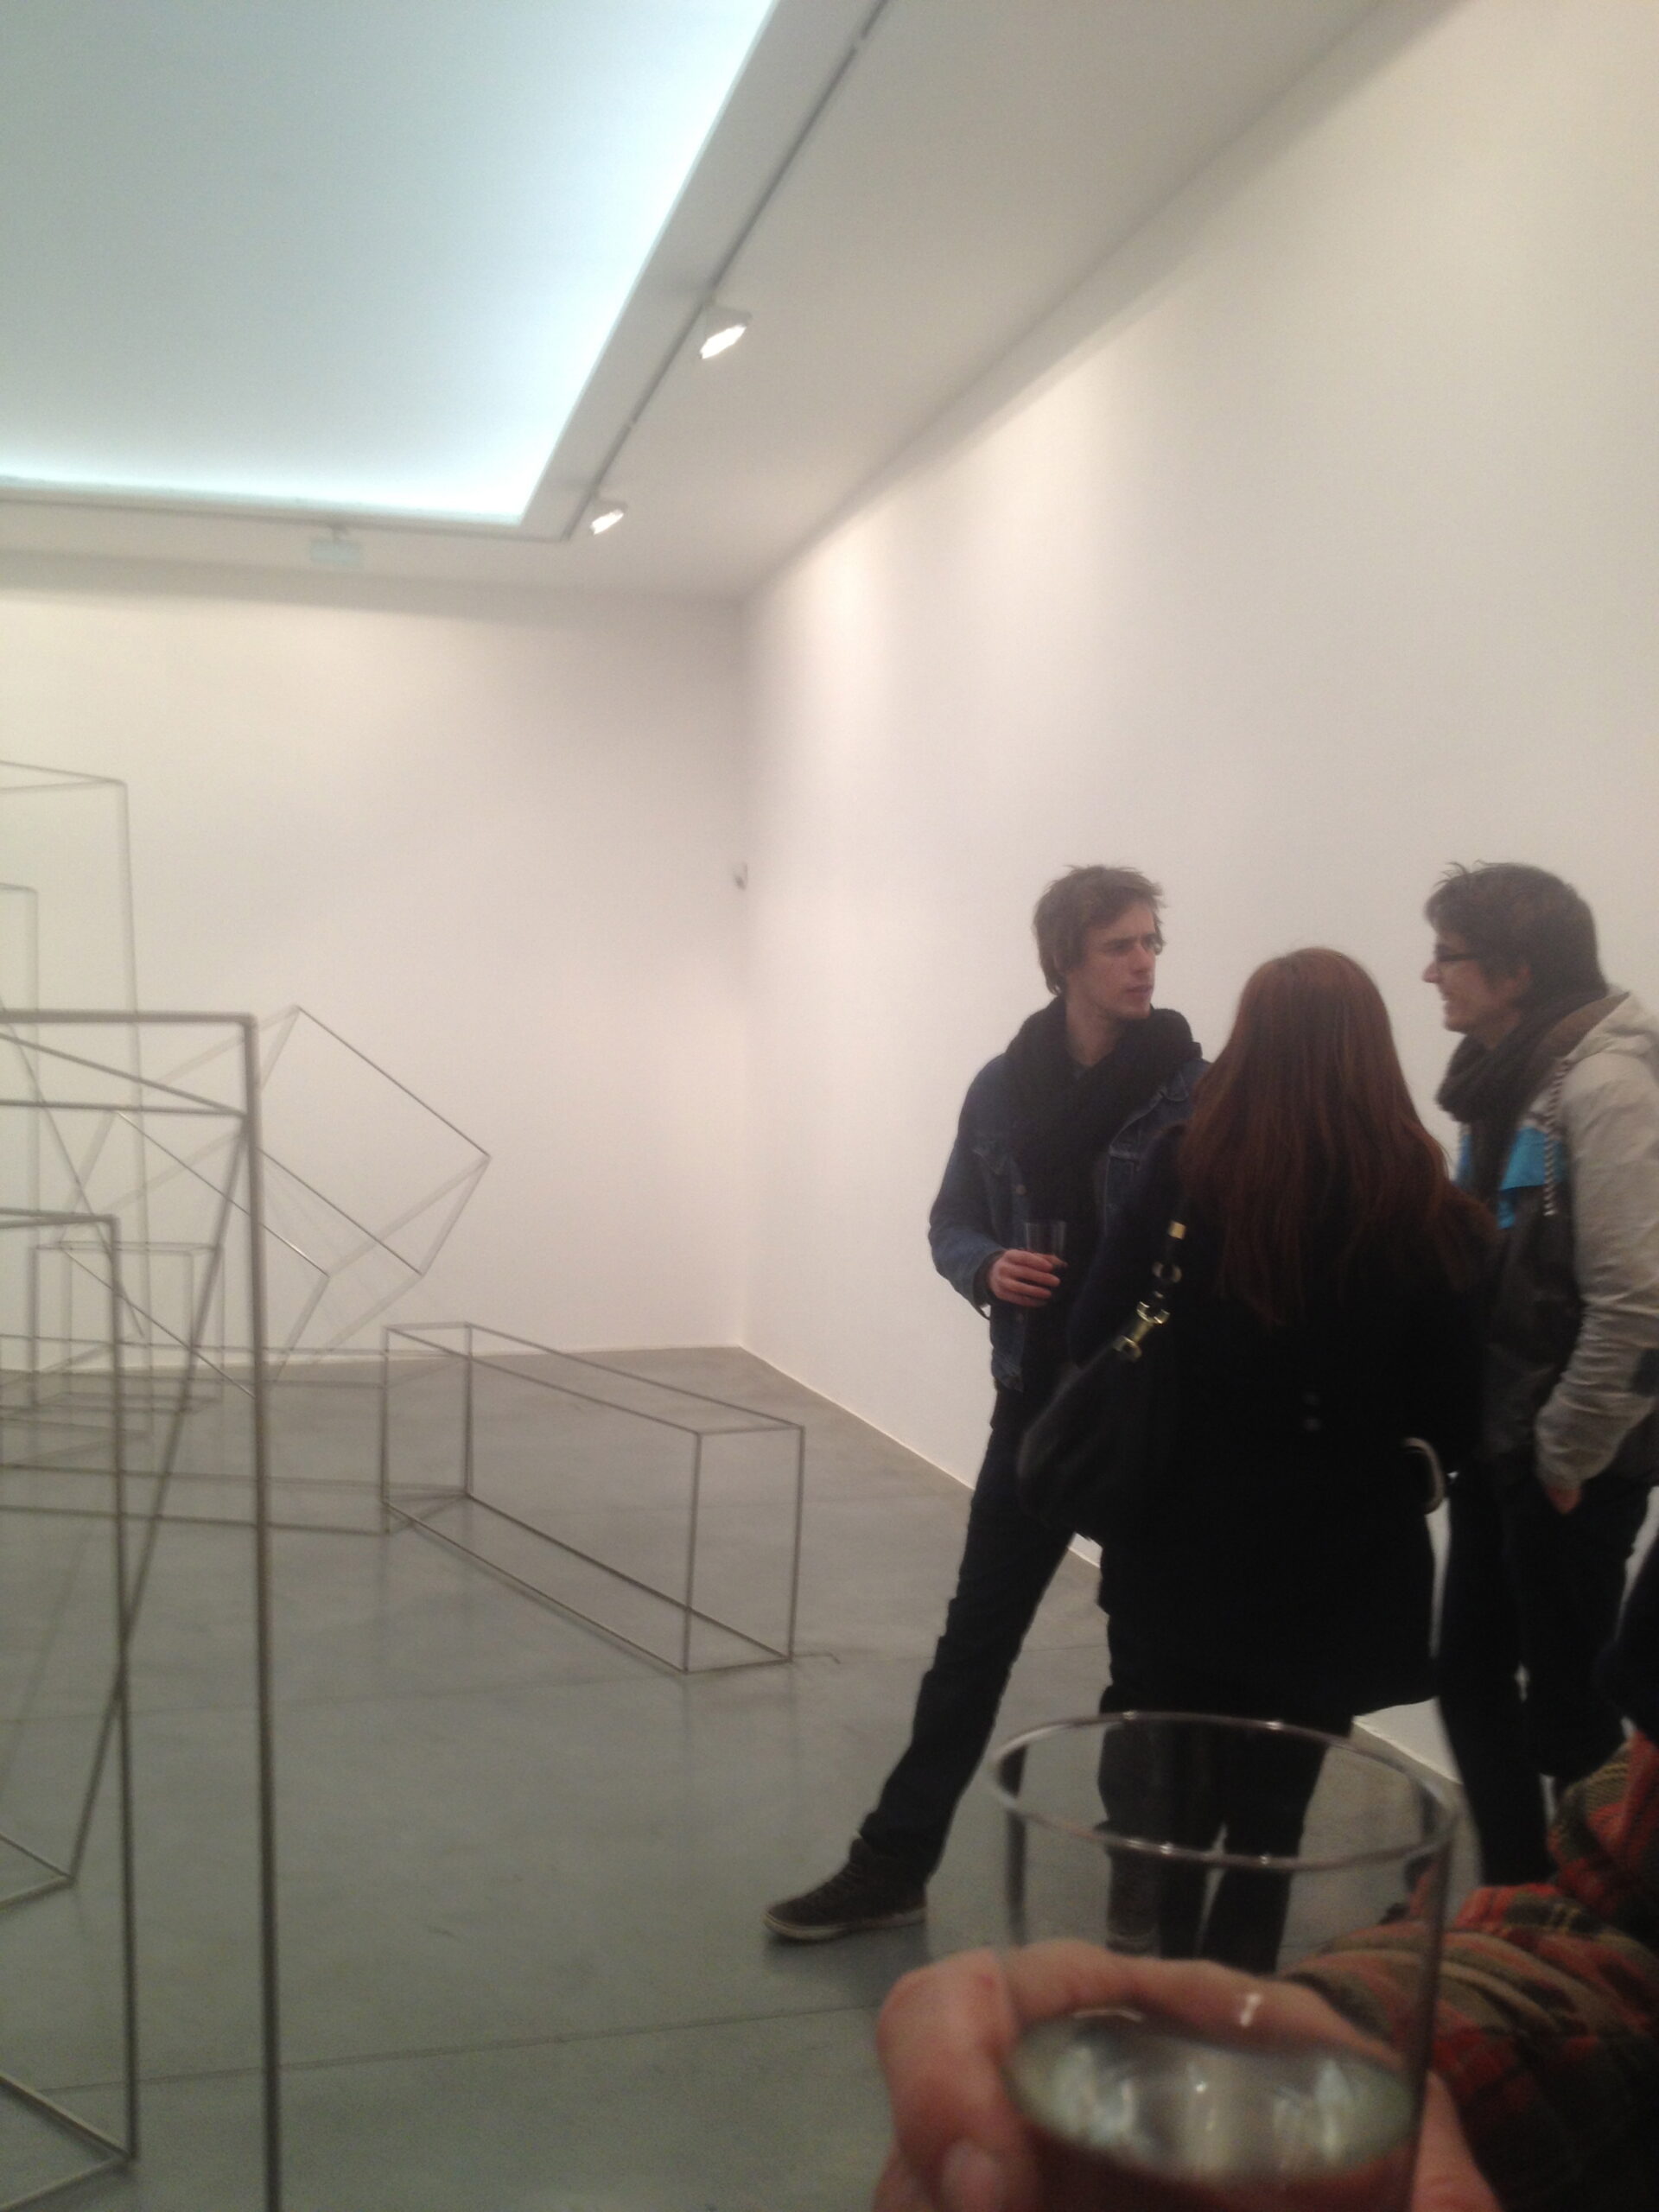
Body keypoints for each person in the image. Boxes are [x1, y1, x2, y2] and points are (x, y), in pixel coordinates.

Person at [871, 1538, 1659, 2212]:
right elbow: (1609, 1913)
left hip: (1300, 1598)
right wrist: (1336, 2032)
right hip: (1242, 1587)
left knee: (1255, 1821)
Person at [764, 867, 1205, 1941]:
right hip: (1037, 1399)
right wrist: (985, 1266)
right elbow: (951, 1220)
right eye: (1120, 944)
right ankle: (893, 1862)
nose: (1144, 962)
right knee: (974, 1643)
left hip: (1146, 1412)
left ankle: (1141, 1881)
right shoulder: (1002, 1089)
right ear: (1066, 959)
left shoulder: (1192, 1089)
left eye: (1152, 941)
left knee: (1146, 1658)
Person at [1067, 949, 1488, 1969]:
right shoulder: (1423, 1203)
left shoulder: (1186, 1170)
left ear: (1250, 1045)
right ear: (1370, 1054)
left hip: (1182, 1543)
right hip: (1335, 1561)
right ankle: (1234, 2009)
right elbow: (1457, 1412)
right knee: (1272, 1824)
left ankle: (1164, 2000)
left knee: (1177, 1807)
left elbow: (1093, 1329)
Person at [1427, 862, 1659, 1883]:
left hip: (1567, 1462)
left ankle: (1588, 1915)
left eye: (1449, 955)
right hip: (1509, 1444)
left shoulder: (1605, 1087)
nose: (1430, 973)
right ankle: (1519, 1890)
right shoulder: (1509, 1078)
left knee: (1570, 1711)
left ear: (1517, 971)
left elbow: (1637, 1301)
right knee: (1470, 1677)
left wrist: (1565, 1454)